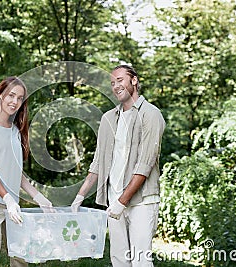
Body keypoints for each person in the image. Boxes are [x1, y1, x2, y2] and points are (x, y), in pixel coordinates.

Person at [71, 65, 165, 267]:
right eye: (112, 83)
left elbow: (145, 164)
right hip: (113, 201)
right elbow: (98, 161)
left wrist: (122, 202)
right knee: (119, 261)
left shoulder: (151, 115)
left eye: (120, 80)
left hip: (141, 202)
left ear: (134, 81)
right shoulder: (108, 119)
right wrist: (80, 195)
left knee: (140, 262)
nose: (116, 86)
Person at [0, 76, 55, 267]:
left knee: (21, 258)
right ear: (0, 95)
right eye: (11, 95)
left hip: (12, 205)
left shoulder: (16, 130)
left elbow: (16, 172)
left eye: (19, 98)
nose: (14, 102)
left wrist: (38, 196)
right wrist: (7, 198)